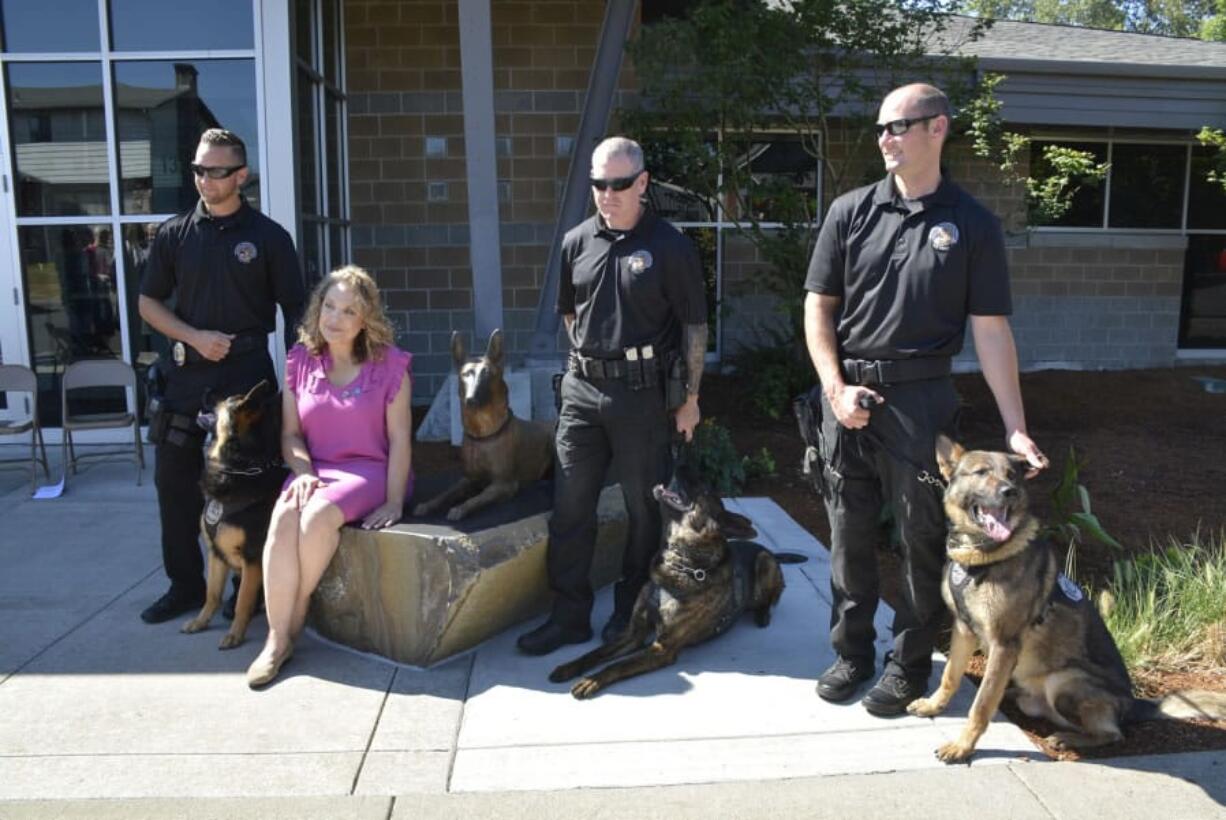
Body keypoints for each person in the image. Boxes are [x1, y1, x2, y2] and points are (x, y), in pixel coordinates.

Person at [803, 83, 1049, 716]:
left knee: (920, 538)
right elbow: (818, 306)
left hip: (921, 397)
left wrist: (1015, 429)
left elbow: (991, 329)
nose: (885, 137)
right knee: (846, 532)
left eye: (899, 126)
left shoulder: (972, 224)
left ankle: (907, 663)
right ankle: (851, 652)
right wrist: (834, 388)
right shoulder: (850, 211)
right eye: (881, 127)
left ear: (937, 128)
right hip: (847, 395)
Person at [517, 136, 709, 656]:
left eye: (618, 184)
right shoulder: (575, 242)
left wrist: (689, 397)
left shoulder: (671, 246)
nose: (607, 194)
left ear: (642, 183)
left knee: (644, 512)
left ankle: (632, 608)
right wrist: (589, 354)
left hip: (642, 396)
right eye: (598, 184)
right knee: (570, 507)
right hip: (582, 391)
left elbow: (694, 327)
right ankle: (568, 614)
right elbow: (568, 309)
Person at [138, 128, 305, 625]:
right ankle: (184, 587)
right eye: (197, 170)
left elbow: (297, 312)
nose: (203, 181)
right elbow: (148, 303)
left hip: (246, 380)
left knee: (248, 493)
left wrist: (302, 384)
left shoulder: (269, 237)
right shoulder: (174, 235)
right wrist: (192, 336)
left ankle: (243, 589)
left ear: (241, 175)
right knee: (175, 487)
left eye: (214, 172)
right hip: (187, 379)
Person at [246, 265, 413, 688]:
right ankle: (276, 639)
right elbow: (290, 434)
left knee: (315, 514)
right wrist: (301, 472)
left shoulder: (390, 366)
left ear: (365, 320)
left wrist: (394, 501)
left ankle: (292, 615)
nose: (334, 319)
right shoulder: (299, 361)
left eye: (349, 311)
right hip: (316, 469)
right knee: (285, 514)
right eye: (329, 306)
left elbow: (399, 440)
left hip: (371, 469)